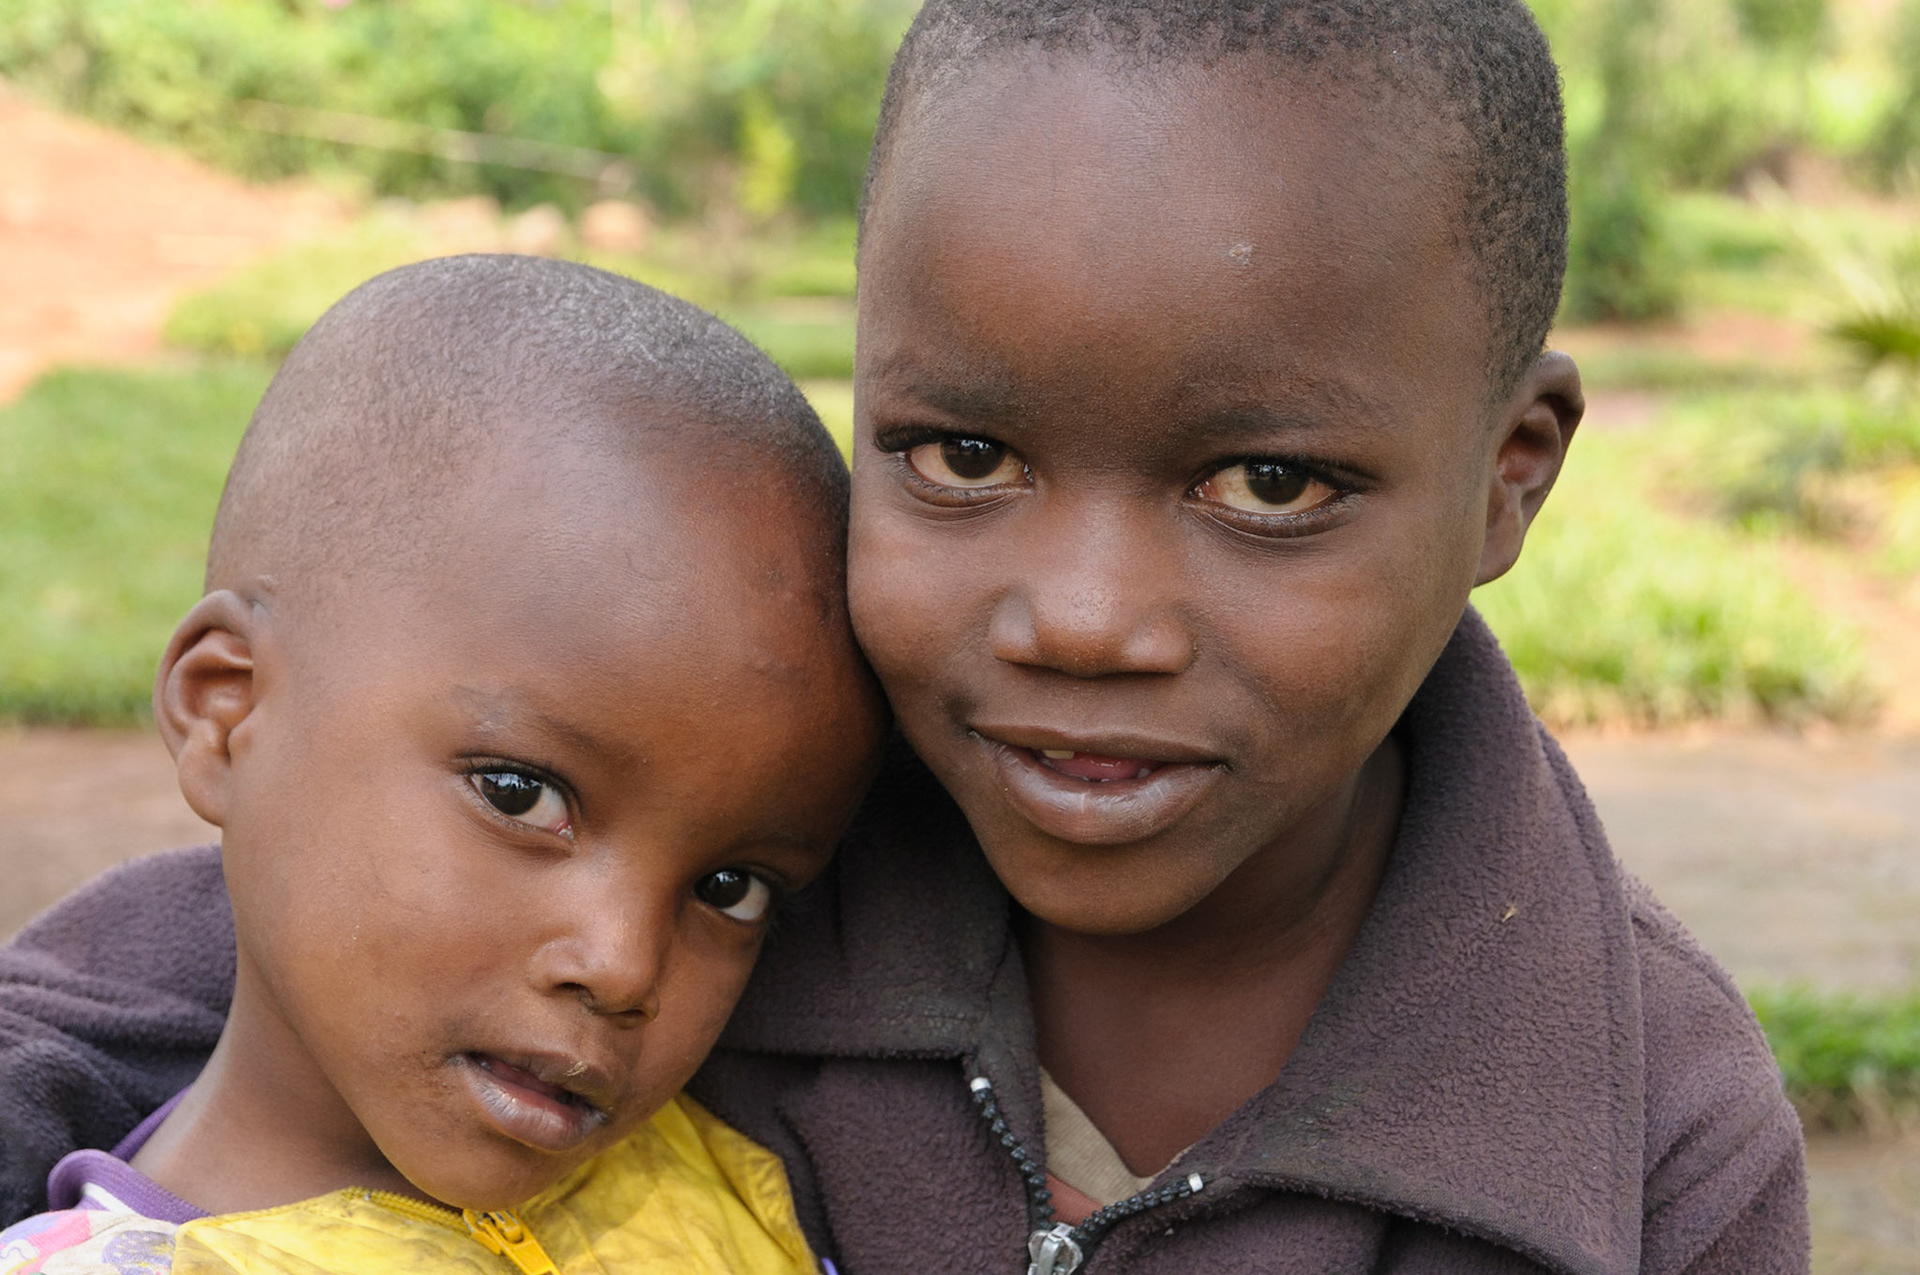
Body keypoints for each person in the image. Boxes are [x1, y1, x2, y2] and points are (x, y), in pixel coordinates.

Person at [0, 2, 1809, 1272]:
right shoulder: (724, 825)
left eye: (1268, 484)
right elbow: (160, 987)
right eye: (962, 454)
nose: (1084, 622)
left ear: (1510, 477)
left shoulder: (1641, 1138)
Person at [0, 255, 887, 1274]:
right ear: (226, 711)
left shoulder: (733, 1187)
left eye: (729, 889)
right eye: (522, 794)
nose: (623, 966)